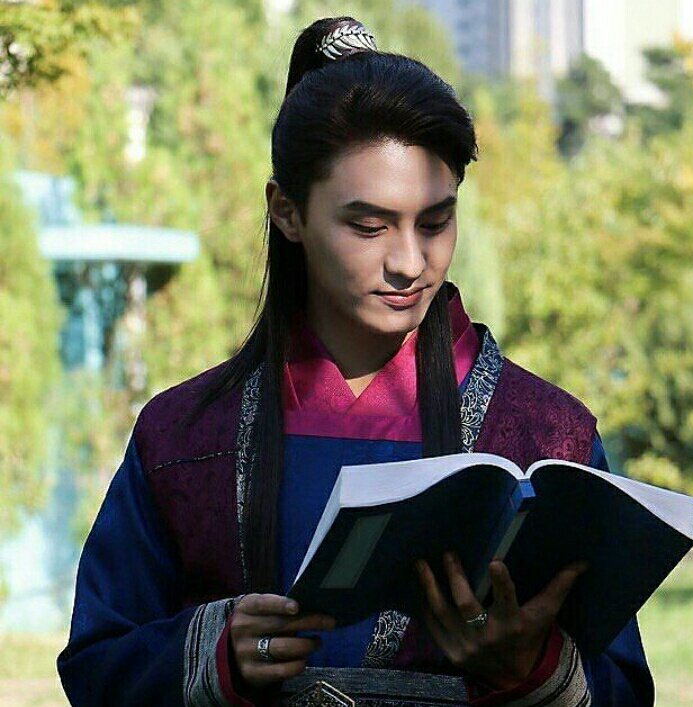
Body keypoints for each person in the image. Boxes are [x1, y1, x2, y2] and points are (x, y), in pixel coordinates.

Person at [57, 16, 654, 707]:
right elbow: (97, 663)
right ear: (287, 212)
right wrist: (215, 652)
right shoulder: (184, 436)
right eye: (369, 225)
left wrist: (533, 667)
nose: (409, 262)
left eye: (435, 222)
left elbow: (623, 687)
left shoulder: (547, 436)